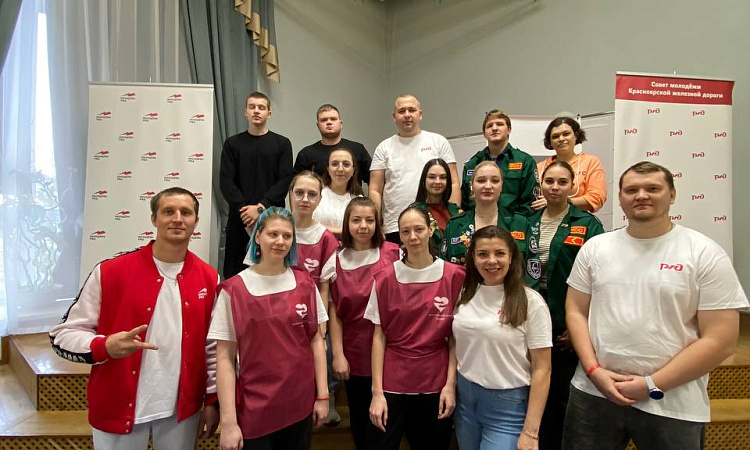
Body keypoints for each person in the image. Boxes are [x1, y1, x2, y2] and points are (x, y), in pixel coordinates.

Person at [563, 162, 749, 450]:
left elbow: (721, 340)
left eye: (652, 188)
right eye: (631, 190)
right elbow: (576, 311)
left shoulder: (704, 253)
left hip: (672, 402)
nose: (641, 195)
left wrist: (651, 383)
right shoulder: (595, 248)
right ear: (620, 198)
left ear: (672, 195)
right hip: (593, 393)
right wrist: (593, 370)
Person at [49, 187, 219, 449]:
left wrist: (212, 400)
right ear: (153, 219)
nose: (177, 218)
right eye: (168, 211)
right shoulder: (110, 272)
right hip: (118, 404)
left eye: (186, 213)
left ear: (196, 222)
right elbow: (63, 335)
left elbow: (212, 347)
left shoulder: (209, 277)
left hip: (182, 411)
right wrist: (104, 346)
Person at [210, 207, 329, 450]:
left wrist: (323, 395)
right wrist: (229, 423)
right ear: (258, 236)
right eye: (273, 234)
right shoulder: (233, 290)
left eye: (287, 236)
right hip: (255, 408)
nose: (280, 241)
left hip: (300, 405)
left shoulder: (305, 284)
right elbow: (224, 359)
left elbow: (316, 340)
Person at [364, 205, 466, 450]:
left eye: (419, 229)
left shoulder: (454, 276)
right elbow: (379, 336)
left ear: (431, 230)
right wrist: (377, 393)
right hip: (394, 379)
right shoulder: (384, 278)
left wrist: (450, 385)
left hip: (436, 380)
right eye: (405, 231)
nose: (413, 237)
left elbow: (456, 338)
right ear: (399, 235)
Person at [521, 161, 604, 450]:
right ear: (541, 185)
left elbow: (599, 279)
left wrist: (580, 326)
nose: (555, 187)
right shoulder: (525, 221)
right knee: (531, 389)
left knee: (561, 395)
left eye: (562, 182)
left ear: (573, 186)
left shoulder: (588, 224)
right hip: (529, 317)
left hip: (565, 321)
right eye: (549, 181)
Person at [453, 225, 552, 450]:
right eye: (483, 254)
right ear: (473, 259)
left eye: (499, 253)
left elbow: (542, 369)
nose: (491, 261)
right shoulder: (465, 293)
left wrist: (531, 432)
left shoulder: (531, 302)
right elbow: (456, 344)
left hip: (506, 407)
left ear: (511, 257)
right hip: (465, 401)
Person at [321, 197, 401, 449]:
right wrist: (338, 355)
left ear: (378, 224)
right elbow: (335, 312)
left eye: (369, 220)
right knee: (360, 423)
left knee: (385, 427)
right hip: (354, 355)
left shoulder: (394, 253)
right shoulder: (336, 260)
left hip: (391, 354)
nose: (363, 226)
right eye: (356, 220)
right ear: (347, 224)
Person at [220, 91, 293, 279]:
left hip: (272, 218)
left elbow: (285, 180)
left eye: (261, 107)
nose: (256, 111)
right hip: (240, 220)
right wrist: (245, 211)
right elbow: (226, 182)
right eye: (252, 107)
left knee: (272, 271)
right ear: (245, 112)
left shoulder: (282, 144)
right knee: (235, 275)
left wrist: (261, 207)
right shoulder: (232, 144)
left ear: (269, 113)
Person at [370, 94, 460, 244]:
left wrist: (455, 220)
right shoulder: (384, 147)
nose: (407, 115)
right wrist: (375, 222)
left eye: (412, 110)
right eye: (401, 111)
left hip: (436, 224)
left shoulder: (438, 142)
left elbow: (454, 183)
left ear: (420, 114)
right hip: (395, 226)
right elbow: (375, 189)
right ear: (394, 117)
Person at [442, 161, 528, 265]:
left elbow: (531, 268)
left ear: (501, 186)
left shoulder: (520, 223)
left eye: (495, 181)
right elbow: (444, 268)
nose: (488, 186)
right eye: (481, 180)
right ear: (471, 185)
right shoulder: (454, 225)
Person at [461, 109, 539, 215]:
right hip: (479, 222)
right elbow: (465, 204)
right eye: (489, 126)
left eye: (499, 124)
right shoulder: (472, 164)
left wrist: (514, 222)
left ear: (509, 130)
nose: (494, 128)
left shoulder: (525, 162)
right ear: (484, 134)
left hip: (514, 222)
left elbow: (530, 205)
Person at [532, 117, 606, 213]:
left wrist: (560, 202)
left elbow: (596, 198)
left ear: (576, 136)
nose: (561, 139)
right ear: (550, 142)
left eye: (566, 134)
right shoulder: (540, 167)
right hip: (543, 219)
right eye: (555, 136)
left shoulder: (590, 162)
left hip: (577, 219)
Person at [294, 104, 372, 185]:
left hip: (352, 193)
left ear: (341, 124)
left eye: (333, 119)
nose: (329, 122)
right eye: (324, 120)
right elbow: (296, 185)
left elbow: (373, 180)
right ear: (318, 126)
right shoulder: (306, 154)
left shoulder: (358, 150)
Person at [413, 158, 461, 256]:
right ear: (424, 181)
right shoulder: (414, 212)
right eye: (432, 177)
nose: (438, 181)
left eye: (443, 177)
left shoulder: (456, 211)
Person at [313, 147, 364, 237]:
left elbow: (362, 229)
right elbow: (305, 223)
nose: (340, 169)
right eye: (335, 164)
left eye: (346, 164)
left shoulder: (359, 200)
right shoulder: (315, 194)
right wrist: (343, 232)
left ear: (353, 170)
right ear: (328, 169)